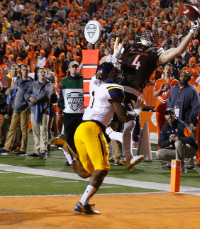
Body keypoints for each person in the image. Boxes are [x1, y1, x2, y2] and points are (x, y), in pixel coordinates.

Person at [50, 62, 145, 214]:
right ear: (111, 75)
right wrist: (138, 110)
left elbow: (98, 73)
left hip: (81, 129)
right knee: (103, 168)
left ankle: (65, 147)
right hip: (93, 129)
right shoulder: (114, 89)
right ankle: (82, 202)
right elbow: (124, 117)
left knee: (86, 173)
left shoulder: (94, 84)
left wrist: (112, 58)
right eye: (115, 73)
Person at [111, 20, 200, 170]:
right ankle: (114, 154)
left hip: (132, 93)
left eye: (149, 35)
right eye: (143, 35)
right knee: (112, 123)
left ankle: (124, 156)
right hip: (117, 89)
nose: (146, 36)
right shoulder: (126, 47)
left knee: (131, 125)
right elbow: (110, 62)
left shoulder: (155, 53)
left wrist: (192, 31)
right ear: (137, 38)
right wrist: (112, 56)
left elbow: (177, 51)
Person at [0, 65, 33, 156]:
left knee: (24, 130)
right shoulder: (17, 81)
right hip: (16, 108)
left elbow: (32, 95)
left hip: (24, 109)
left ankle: (23, 150)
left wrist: (28, 107)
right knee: (12, 129)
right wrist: (7, 92)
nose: (25, 72)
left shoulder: (31, 82)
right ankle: (7, 148)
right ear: (21, 71)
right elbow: (13, 93)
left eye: (27, 70)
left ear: (29, 71)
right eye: (23, 70)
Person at [156, 108, 198, 173]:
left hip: (190, 151)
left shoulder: (182, 125)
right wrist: (169, 140)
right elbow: (161, 144)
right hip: (177, 151)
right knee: (159, 154)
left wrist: (178, 138)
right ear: (165, 117)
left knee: (178, 143)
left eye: (171, 114)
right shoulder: (165, 127)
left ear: (175, 115)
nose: (169, 116)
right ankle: (178, 164)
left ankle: (181, 167)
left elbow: (191, 139)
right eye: (167, 114)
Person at [57, 61, 84, 157]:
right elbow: (61, 97)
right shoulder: (64, 81)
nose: (75, 69)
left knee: (82, 137)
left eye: (76, 67)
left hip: (81, 113)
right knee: (69, 136)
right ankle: (72, 157)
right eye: (73, 67)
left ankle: (82, 156)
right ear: (69, 69)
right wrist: (62, 109)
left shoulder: (84, 80)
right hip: (69, 113)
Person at [25, 67, 53, 159]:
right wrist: (29, 98)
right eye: (41, 72)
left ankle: (43, 151)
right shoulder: (34, 84)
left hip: (44, 110)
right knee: (36, 131)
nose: (43, 73)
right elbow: (26, 93)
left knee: (43, 130)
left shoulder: (49, 84)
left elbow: (45, 94)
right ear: (38, 73)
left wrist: (33, 100)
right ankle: (37, 150)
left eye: (44, 72)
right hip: (34, 110)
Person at [153, 63, 178, 143]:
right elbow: (154, 94)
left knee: (171, 129)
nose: (168, 70)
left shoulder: (175, 82)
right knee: (160, 129)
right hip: (160, 109)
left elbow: (178, 95)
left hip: (170, 110)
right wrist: (160, 89)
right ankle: (161, 147)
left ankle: (170, 147)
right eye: (166, 68)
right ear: (163, 70)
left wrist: (171, 89)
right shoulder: (159, 81)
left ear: (172, 71)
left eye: (169, 69)